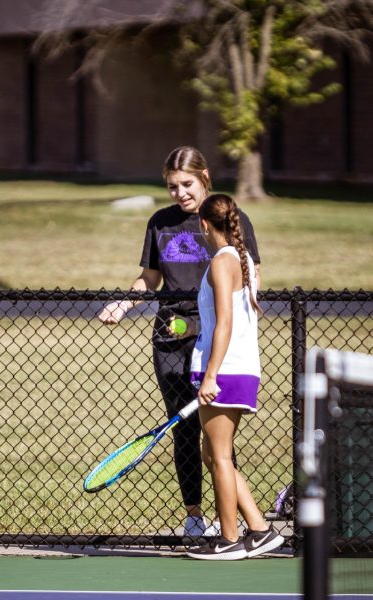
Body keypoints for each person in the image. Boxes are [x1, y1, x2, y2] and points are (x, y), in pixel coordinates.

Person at [97, 146, 261, 540]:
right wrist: (125, 302)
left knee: (216, 436)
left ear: (204, 177)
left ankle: (237, 526)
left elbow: (249, 281)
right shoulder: (160, 222)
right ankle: (194, 516)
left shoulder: (225, 220)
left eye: (186, 184)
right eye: (172, 187)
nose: (180, 193)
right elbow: (149, 280)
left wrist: (208, 327)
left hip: (212, 340)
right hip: (170, 341)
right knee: (183, 430)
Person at [186, 193, 284, 560]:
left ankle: (229, 540)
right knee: (213, 455)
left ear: (205, 224)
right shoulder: (241, 259)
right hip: (238, 369)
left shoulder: (221, 262)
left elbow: (224, 323)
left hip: (225, 371)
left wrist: (210, 375)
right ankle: (258, 530)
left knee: (221, 457)